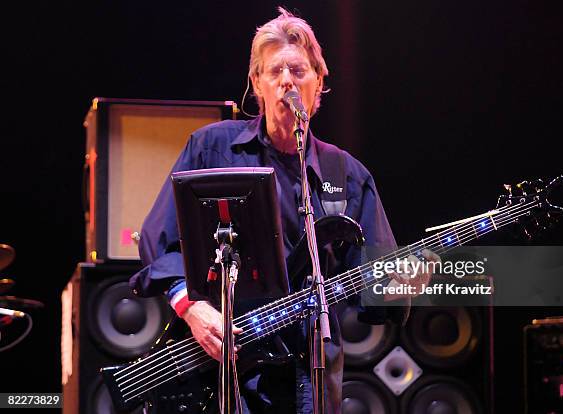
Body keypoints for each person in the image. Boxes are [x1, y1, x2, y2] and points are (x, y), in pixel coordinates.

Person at [130, 7, 437, 413]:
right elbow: (159, 239)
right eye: (274, 72)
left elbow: (373, 294)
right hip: (217, 367)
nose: (286, 82)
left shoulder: (347, 175)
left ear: (319, 82)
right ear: (257, 83)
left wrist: (400, 288)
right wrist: (194, 308)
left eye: (298, 71)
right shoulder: (211, 149)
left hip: (306, 378)